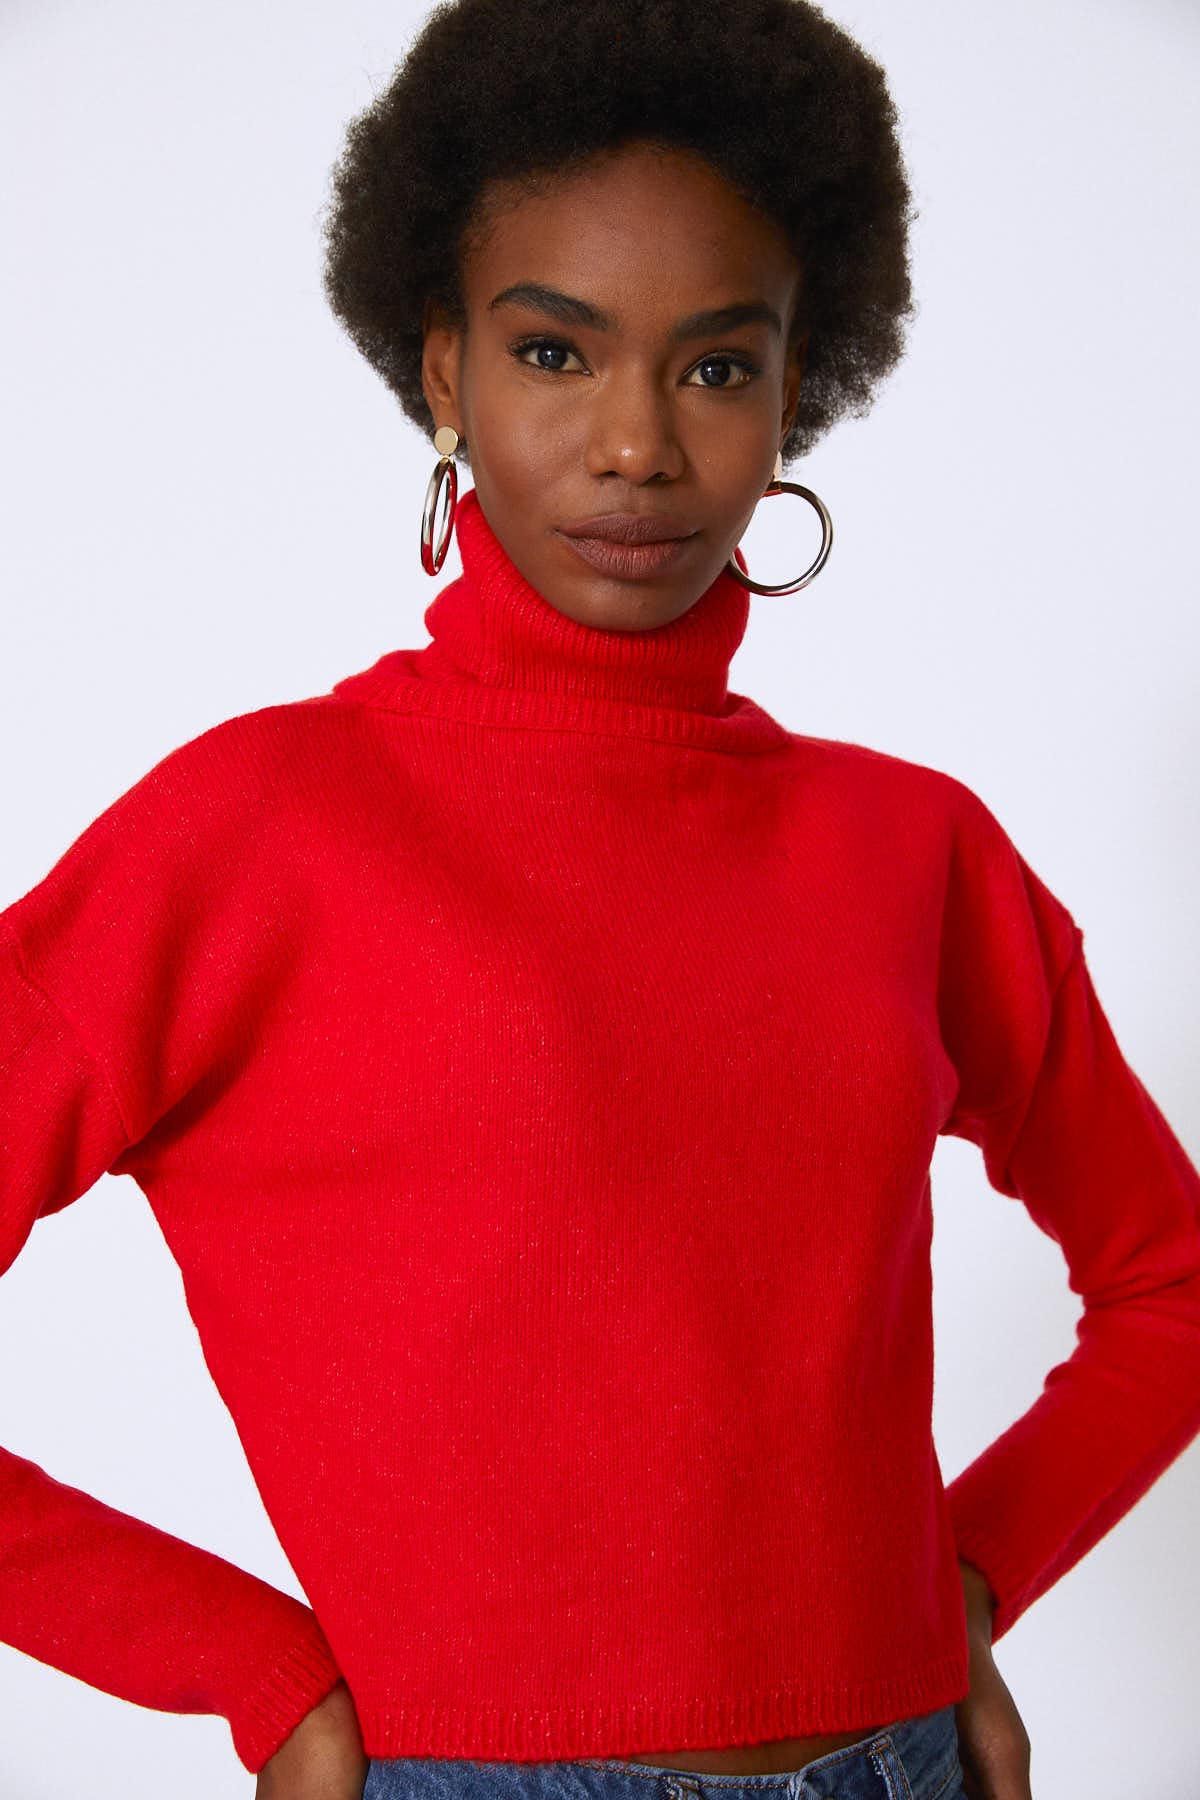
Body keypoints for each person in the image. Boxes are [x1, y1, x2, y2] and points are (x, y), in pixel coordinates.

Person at [3, 3, 1198, 1799]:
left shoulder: (914, 848)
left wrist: (957, 1585)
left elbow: (1171, 1276)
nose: (637, 443)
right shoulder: (250, 834)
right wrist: (248, 1670)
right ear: (443, 371)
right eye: (555, 352)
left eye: (715, 367)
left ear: (796, 388)